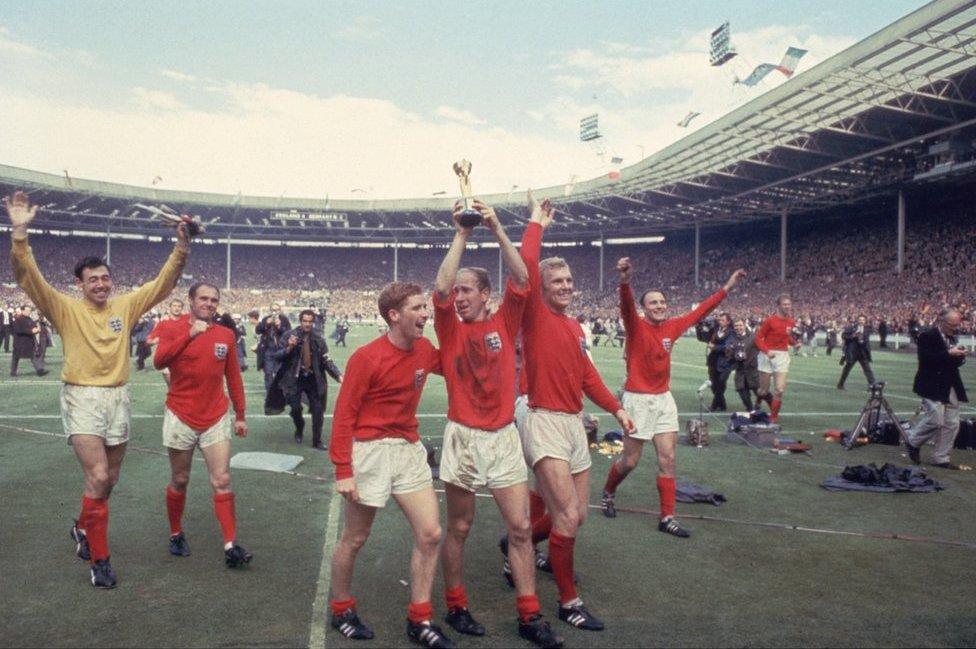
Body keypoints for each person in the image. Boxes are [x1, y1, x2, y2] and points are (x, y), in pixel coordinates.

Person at [6, 190, 190, 588]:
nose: (102, 285)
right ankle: (100, 560)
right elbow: (29, 279)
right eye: (93, 280)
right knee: (98, 475)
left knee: (109, 481)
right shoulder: (65, 307)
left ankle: (81, 526)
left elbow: (162, 284)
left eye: (106, 278)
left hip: (118, 398)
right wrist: (20, 234)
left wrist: (181, 246)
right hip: (82, 396)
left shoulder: (124, 306)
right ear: (80, 284)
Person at [432, 200, 560, 647]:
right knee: (460, 528)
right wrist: (463, 234)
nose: (460, 296)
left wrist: (496, 226)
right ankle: (455, 603)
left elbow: (524, 277)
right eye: (460, 291)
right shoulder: (449, 326)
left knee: (521, 529)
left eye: (469, 290)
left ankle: (529, 616)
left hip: (503, 436)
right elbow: (440, 288)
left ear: (487, 295)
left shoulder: (506, 320)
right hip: (462, 437)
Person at [517, 192, 634, 632]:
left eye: (569, 280)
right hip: (543, 419)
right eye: (557, 281)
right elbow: (526, 265)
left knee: (577, 515)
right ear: (543, 288)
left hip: (572, 423)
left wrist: (618, 409)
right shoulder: (534, 314)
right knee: (566, 515)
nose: (565, 286)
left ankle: (520, 545)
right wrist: (537, 226)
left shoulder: (573, 325)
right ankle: (569, 602)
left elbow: (587, 377)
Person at [328, 282, 453, 648]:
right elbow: (344, 416)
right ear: (394, 315)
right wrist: (343, 470)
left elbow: (460, 363)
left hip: (409, 450)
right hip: (370, 451)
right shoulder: (366, 358)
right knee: (355, 538)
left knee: (430, 533)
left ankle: (420, 618)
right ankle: (341, 609)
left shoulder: (425, 349)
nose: (425, 314)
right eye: (417, 308)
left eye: (425, 308)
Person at [601, 258, 744, 539]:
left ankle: (667, 518)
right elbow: (626, 305)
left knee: (668, 459)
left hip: (663, 400)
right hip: (637, 400)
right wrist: (625, 281)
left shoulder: (673, 326)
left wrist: (727, 287)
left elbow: (704, 309)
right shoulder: (635, 325)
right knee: (630, 461)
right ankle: (608, 492)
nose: (659, 306)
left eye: (662, 302)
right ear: (644, 308)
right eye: (653, 303)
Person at [152, 283, 252, 567]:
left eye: (214, 300)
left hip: (215, 415)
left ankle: (231, 545)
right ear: (191, 301)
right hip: (180, 414)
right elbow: (159, 361)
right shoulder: (173, 328)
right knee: (180, 480)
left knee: (221, 480)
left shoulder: (226, 335)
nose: (209, 303)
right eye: (203, 298)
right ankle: (175, 533)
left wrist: (241, 414)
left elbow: (233, 377)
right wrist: (189, 334)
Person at [905, 308, 969, 470]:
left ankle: (941, 457)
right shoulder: (927, 336)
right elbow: (926, 359)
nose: (955, 328)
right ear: (941, 321)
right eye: (952, 324)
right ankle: (913, 442)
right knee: (936, 419)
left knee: (952, 423)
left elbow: (950, 362)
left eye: (957, 324)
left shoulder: (952, 337)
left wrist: (960, 357)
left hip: (950, 383)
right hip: (930, 384)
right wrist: (949, 353)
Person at [271, 309, 342, 450]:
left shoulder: (318, 338)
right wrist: (289, 347)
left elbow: (326, 360)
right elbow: (277, 355)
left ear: (313, 322)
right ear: (300, 321)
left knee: (318, 410)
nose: (307, 324)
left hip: (313, 378)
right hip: (294, 378)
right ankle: (299, 428)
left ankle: (317, 441)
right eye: (305, 321)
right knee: (296, 408)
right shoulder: (289, 335)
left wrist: (339, 376)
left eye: (310, 321)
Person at [754, 295, 801, 423]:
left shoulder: (792, 322)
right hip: (766, 355)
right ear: (778, 306)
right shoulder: (770, 320)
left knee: (779, 389)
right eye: (785, 304)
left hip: (782, 356)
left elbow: (788, 338)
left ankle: (773, 417)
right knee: (764, 390)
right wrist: (766, 351)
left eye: (789, 304)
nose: (787, 306)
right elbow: (758, 338)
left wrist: (795, 344)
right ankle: (759, 399)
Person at [725, 318, 761, 411]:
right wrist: (731, 354)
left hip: (752, 370)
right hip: (740, 369)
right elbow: (728, 355)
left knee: (760, 392)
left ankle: (772, 409)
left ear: (745, 325)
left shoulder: (753, 337)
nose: (738, 327)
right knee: (742, 390)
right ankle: (750, 410)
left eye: (740, 325)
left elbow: (762, 348)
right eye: (736, 326)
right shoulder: (731, 339)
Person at [255, 304, 290, 390]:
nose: (275, 312)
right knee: (268, 373)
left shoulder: (284, 319)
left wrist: (280, 326)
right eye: (273, 310)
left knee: (279, 372)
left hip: (280, 349)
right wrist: (266, 324)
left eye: (277, 310)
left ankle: (279, 394)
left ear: (280, 310)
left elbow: (289, 333)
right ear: (270, 310)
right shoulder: (266, 319)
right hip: (268, 350)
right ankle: (269, 394)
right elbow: (258, 330)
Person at [837, 315, 877, 389]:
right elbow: (844, 336)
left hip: (862, 352)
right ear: (857, 320)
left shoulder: (867, 328)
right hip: (853, 352)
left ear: (865, 321)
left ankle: (872, 384)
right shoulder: (852, 328)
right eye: (860, 319)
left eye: (863, 320)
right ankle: (840, 384)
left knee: (867, 369)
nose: (861, 321)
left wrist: (862, 339)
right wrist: (853, 336)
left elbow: (867, 337)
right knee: (847, 369)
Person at [10, 304, 48, 376]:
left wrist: (37, 329)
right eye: (28, 310)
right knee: (16, 357)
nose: (29, 312)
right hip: (20, 342)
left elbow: (34, 326)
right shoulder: (18, 319)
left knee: (33, 356)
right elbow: (18, 330)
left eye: (30, 310)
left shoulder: (29, 318)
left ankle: (39, 371)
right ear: (22, 311)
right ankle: (13, 372)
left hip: (29, 342)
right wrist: (31, 331)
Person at [706, 312, 732, 412]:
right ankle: (722, 404)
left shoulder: (731, 333)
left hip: (725, 362)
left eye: (723, 320)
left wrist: (714, 347)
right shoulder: (715, 330)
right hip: (713, 361)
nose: (720, 322)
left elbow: (727, 347)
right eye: (719, 320)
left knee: (721, 383)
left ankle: (714, 406)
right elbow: (703, 338)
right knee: (713, 384)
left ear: (728, 322)